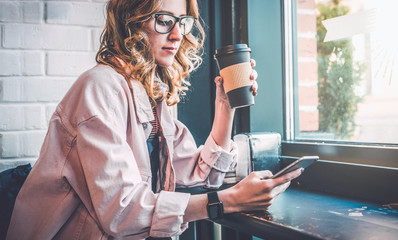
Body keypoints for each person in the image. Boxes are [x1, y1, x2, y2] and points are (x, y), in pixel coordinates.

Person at [6, 0, 302, 239]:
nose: (177, 35)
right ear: (132, 22)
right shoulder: (99, 88)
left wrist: (225, 106)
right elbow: (121, 212)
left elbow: (199, 174)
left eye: (182, 22)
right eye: (164, 21)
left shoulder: (150, 94)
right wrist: (229, 201)